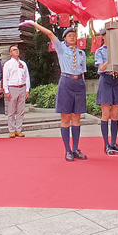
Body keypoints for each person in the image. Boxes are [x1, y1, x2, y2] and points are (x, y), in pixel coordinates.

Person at [23, 21, 88, 161]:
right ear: (64, 38)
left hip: (78, 84)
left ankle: (76, 148)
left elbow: (83, 72)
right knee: (65, 117)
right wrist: (34, 23)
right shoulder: (62, 48)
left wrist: (82, 86)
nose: (72, 37)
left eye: (74, 35)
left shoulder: (81, 53)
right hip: (66, 82)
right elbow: (50, 34)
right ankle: (68, 150)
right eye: (69, 35)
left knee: (77, 117)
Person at [94, 29, 118, 155]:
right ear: (102, 37)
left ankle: (113, 143)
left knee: (115, 114)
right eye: (105, 36)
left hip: (115, 79)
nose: (107, 38)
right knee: (105, 114)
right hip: (105, 79)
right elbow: (101, 67)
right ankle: (106, 144)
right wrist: (111, 58)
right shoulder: (99, 51)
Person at [2, 45, 30, 138]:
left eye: (17, 49)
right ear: (10, 53)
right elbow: (5, 78)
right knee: (11, 110)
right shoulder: (8, 64)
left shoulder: (23, 63)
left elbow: (27, 77)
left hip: (22, 87)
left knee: (21, 110)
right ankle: (11, 130)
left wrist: (27, 89)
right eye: (13, 50)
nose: (16, 51)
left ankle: (19, 129)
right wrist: (6, 90)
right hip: (12, 88)